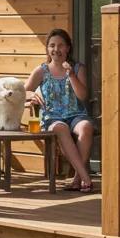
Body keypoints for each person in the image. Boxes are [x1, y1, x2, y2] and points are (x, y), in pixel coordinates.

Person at [25, 29, 94, 192]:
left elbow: (83, 96)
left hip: (76, 115)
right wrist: (32, 96)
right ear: (48, 49)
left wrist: (71, 75)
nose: (56, 49)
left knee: (86, 127)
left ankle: (78, 179)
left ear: (68, 48)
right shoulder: (42, 71)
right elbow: (23, 91)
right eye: (52, 45)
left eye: (61, 45)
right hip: (52, 118)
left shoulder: (77, 68)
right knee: (60, 128)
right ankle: (86, 178)